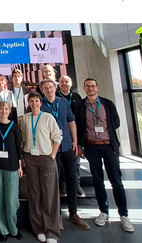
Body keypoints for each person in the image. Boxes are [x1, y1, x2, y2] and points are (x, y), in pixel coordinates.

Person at [74, 78, 134, 233]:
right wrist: (80, 146)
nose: (90, 88)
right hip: (91, 147)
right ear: (84, 88)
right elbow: (79, 126)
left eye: (93, 86)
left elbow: (116, 122)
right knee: (98, 181)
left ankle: (124, 215)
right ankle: (104, 212)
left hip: (108, 146)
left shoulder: (107, 104)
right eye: (87, 86)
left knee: (116, 181)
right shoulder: (80, 105)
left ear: (97, 87)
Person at [40, 79, 90, 230]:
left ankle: (73, 213)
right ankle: (57, 216)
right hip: (50, 149)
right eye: (46, 88)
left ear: (55, 88)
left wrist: (75, 141)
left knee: (71, 180)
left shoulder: (63, 103)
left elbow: (71, 122)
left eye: (51, 87)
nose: (49, 90)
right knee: (53, 182)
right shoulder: (40, 105)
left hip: (67, 145)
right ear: (42, 90)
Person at [20, 92, 61, 243]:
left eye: (37, 101)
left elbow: (57, 137)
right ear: (28, 103)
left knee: (49, 194)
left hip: (46, 158)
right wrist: (23, 158)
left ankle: (51, 232)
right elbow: (24, 139)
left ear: (40, 102)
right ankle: (38, 228)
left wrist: (53, 155)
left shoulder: (48, 117)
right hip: (30, 158)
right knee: (34, 194)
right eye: (31, 101)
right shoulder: (25, 118)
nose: (34, 104)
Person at [0, 101, 23, 242]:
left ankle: (13, 229)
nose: (4, 111)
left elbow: (18, 148)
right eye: (1, 108)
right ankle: (2, 229)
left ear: (10, 111)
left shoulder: (14, 127)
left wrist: (20, 166)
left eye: (6, 109)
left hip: (12, 167)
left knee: (11, 200)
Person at [57, 75, 85, 197]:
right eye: (62, 82)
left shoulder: (76, 97)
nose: (64, 84)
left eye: (66, 81)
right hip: (60, 133)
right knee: (62, 162)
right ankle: (63, 183)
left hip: (74, 132)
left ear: (71, 83)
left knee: (76, 161)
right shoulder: (56, 97)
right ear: (59, 84)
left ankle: (76, 184)